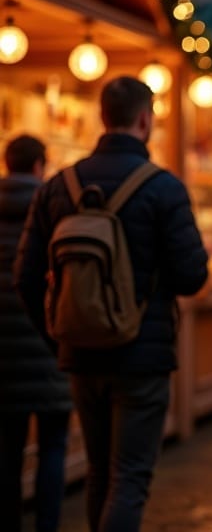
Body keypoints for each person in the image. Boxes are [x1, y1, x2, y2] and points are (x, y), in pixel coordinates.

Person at [15, 77, 208, 532]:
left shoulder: (58, 186)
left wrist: (59, 335)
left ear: (103, 118)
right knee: (130, 477)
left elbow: (24, 277)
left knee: (100, 472)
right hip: (143, 356)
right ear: (146, 119)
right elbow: (192, 276)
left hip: (80, 355)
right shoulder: (164, 188)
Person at [0, 136, 71, 532]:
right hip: (48, 349)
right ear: (40, 165)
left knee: (8, 450)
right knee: (52, 447)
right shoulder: (54, 211)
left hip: (4, 355)